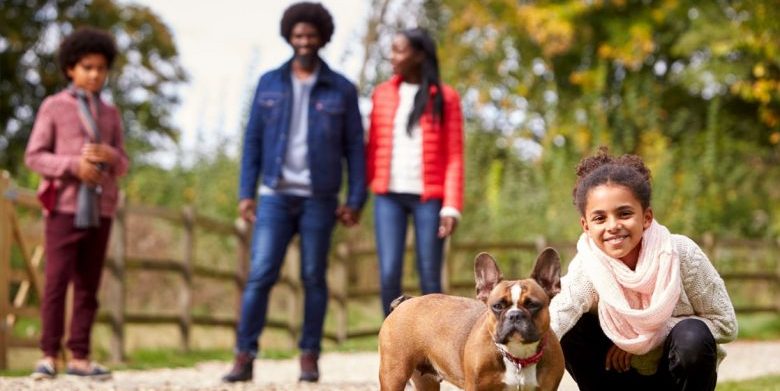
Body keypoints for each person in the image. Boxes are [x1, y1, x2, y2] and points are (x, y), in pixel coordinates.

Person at [223, 2, 366, 383]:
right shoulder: (269, 82)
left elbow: (355, 148)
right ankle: (244, 355)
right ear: (289, 36)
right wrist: (246, 192)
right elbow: (252, 140)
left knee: (313, 277)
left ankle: (309, 355)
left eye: (311, 34)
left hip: (320, 197)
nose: (304, 41)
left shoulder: (342, 88)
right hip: (274, 194)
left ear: (322, 37)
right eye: (298, 34)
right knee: (260, 274)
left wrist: (355, 199)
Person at [549, 147, 738, 390]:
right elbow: (556, 317)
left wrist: (643, 342)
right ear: (585, 225)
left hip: (673, 375)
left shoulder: (680, 253)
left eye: (624, 213)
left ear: (646, 217)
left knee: (692, 335)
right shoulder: (587, 267)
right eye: (600, 218)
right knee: (572, 329)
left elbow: (725, 324)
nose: (613, 226)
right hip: (617, 374)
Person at [24, 26, 129, 380]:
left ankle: (80, 356)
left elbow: (125, 163)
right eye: (87, 67)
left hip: (102, 208)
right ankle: (49, 354)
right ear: (71, 68)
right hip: (64, 207)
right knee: (56, 282)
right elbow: (34, 156)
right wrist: (74, 166)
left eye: (100, 68)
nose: (94, 74)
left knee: (89, 285)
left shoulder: (111, 114)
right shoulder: (54, 107)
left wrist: (110, 155)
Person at [366, 27, 464, 316]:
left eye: (399, 50)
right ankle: (393, 342)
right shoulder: (381, 94)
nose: (392, 57)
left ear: (419, 55)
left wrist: (451, 206)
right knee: (388, 274)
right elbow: (370, 146)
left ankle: (435, 347)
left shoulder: (446, 98)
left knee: (430, 276)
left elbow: (455, 155)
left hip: (429, 198)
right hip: (388, 196)